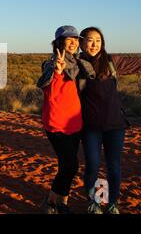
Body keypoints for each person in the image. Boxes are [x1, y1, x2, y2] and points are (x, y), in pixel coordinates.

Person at [77, 26, 141, 214]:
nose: (94, 44)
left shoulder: (112, 62)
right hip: (91, 127)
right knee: (92, 165)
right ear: (82, 43)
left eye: (98, 40)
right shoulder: (76, 65)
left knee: (113, 166)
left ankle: (112, 203)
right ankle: (95, 202)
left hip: (115, 125)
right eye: (90, 40)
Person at [36, 25, 85, 214]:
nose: (73, 42)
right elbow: (47, 86)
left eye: (76, 39)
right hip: (57, 123)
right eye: (68, 39)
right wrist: (57, 71)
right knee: (71, 166)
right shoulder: (51, 64)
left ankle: (60, 203)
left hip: (75, 123)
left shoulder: (78, 63)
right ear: (59, 42)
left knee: (67, 166)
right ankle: (51, 202)